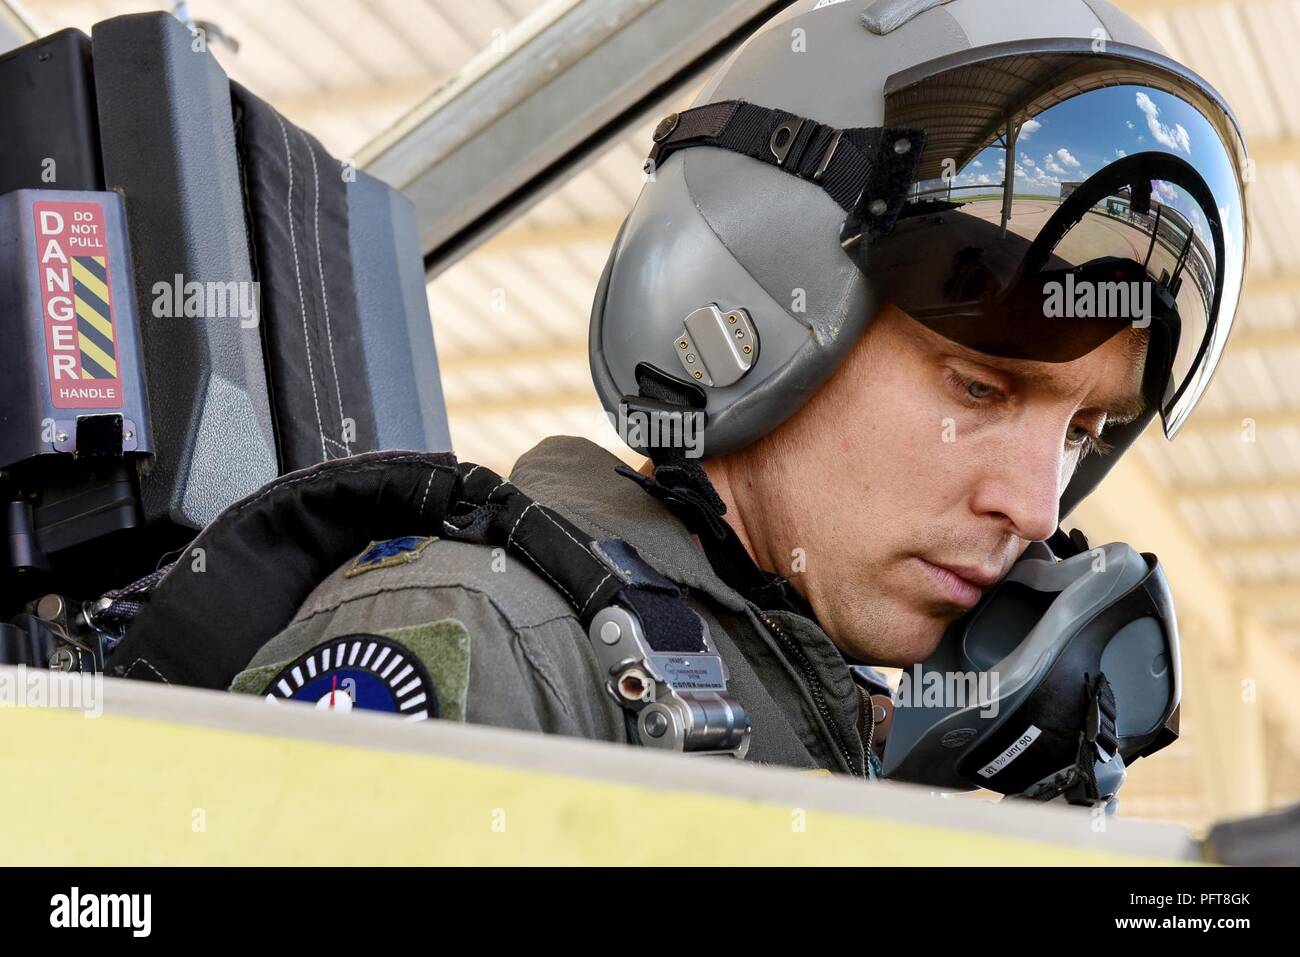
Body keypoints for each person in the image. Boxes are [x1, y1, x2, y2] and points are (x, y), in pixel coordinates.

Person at [120, 0, 1250, 788]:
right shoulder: (479, 651)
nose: (1038, 507)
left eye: (1083, 431)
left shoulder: (825, 714)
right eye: (979, 387)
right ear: (741, 307)